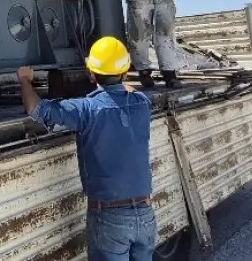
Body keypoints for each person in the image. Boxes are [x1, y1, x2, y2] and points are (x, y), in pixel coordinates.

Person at [16, 36, 155, 260]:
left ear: (91, 73)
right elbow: (129, 92)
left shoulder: (87, 109)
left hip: (109, 217)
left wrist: (25, 80)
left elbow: (36, 109)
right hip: (146, 213)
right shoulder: (142, 103)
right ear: (125, 72)